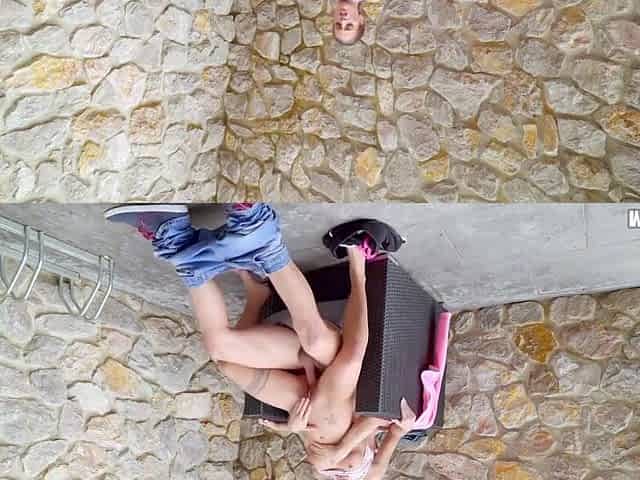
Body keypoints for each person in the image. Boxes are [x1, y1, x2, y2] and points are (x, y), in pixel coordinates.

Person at [104, 203, 416, 480]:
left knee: (221, 353)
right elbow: (380, 420)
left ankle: (173, 234)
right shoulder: (372, 474)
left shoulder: (323, 475)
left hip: (305, 391)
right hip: (336, 368)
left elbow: (315, 444)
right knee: (319, 344)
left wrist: (292, 429)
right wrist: (342, 450)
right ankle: (270, 237)